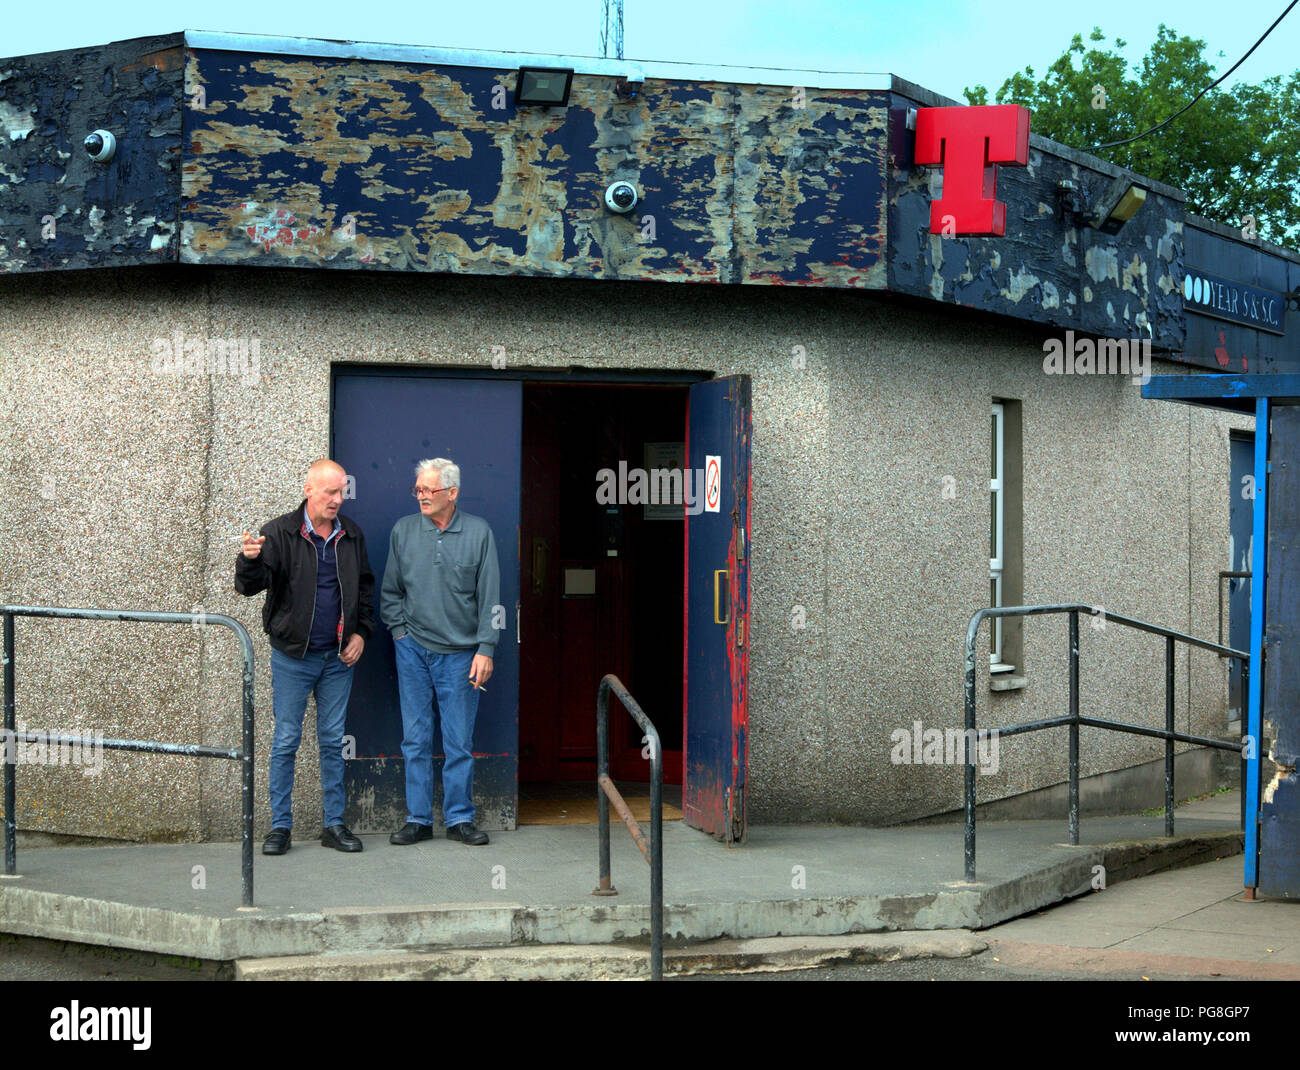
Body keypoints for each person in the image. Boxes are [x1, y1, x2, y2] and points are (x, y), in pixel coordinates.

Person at [235, 458, 375, 855]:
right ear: (308, 489)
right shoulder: (278, 533)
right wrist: (248, 560)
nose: (337, 499)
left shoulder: (352, 535)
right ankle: (280, 827)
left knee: (332, 741)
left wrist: (362, 633)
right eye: (330, 491)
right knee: (286, 740)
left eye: (341, 491)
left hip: (338, 659)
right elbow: (249, 587)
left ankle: (334, 825)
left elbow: (365, 588)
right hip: (293, 657)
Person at [382, 458, 499, 846]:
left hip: (462, 655)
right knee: (414, 739)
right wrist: (400, 634)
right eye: (417, 489)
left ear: (452, 493)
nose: (421, 496)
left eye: (429, 490)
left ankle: (459, 818)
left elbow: (490, 600)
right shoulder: (403, 531)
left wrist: (486, 648)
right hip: (412, 649)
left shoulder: (479, 532)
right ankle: (417, 819)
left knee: (458, 741)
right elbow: (391, 592)